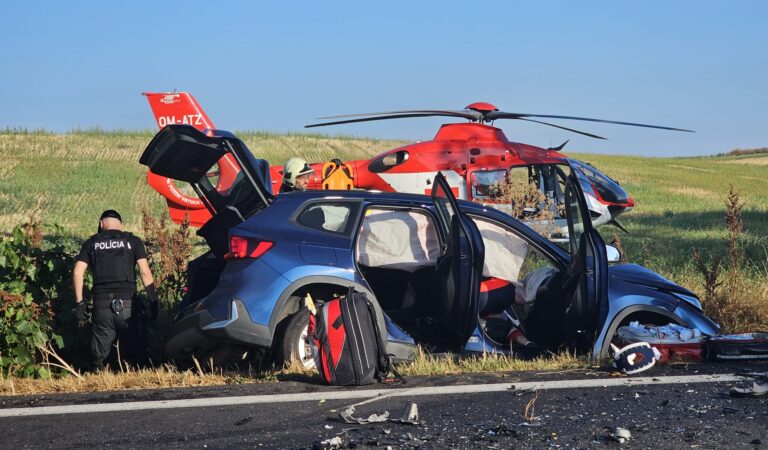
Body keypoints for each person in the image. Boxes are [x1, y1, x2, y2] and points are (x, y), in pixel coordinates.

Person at [73, 210, 158, 370]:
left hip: (102, 305)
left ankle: (98, 379)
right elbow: (145, 272)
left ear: (100, 223)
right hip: (128, 306)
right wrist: (152, 300)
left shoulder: (92, 243)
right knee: (135, 353)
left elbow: (78, 272)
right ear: (121, 225)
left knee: (99, 358)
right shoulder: (133, 241)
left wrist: (80, 303)